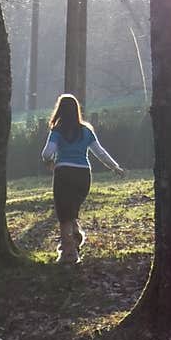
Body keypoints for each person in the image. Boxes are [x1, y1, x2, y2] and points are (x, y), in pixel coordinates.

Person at [41, 93, 124, 263]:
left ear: (60, 111)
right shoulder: (86, 131)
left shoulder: (57, 131)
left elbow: (46, 153)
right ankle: (76, 236)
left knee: (64, 215)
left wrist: (49, 162)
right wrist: (115, 167)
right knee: (71, 211)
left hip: (63, 174)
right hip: (83, 175)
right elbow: (100, 152)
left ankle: (68, 254)